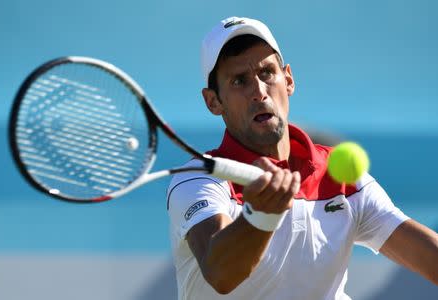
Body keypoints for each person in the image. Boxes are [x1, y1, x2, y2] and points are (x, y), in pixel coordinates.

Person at [166, 16, 438, 299]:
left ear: (288, 79)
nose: (259, 91)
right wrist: (260, 216)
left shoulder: (341, 177)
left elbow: (427, 254)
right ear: (213, 101)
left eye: (267, 73)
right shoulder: (197, 179)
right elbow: (220, 273)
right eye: (239, 81)